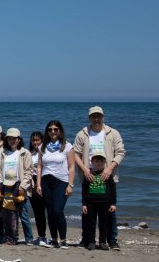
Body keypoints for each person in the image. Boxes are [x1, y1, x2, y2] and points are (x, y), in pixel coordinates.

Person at [72, 106, 126, 251]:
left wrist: (109, 168)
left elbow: (121, 152)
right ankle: (86, 240)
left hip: (107, 175)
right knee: (87, 213)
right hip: (88, 176)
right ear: (89, 118)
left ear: (103, 117)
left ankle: (111, 240)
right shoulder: (82, 134)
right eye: (93, 116)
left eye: (99, 116)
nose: (96, 119)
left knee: (109, 213)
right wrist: (84, 170)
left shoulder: (112, 133)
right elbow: (75, 154)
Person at [36, 122, 77, 248]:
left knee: (58, 210)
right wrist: (38, 184)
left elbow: (71, 167)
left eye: (55, 129)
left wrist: (70, 185)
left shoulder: (67, 146)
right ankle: (54, 239)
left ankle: (63, 239)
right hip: (46, 181)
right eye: (50, 129)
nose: (53, 131)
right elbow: (39, 166)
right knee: (50, 211)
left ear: (60, 131)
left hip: (61, 182)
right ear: (47, 132)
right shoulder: (42, 146)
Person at [0, 128, 34, 245]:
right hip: (5, 186)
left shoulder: (24, 153)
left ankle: (29, 238)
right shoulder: (2, 153)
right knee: (8, 215)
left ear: (19, 139)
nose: (12, 141)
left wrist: (23, 186)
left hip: (19, 186)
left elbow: (29, 171)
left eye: (14, 139)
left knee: (23, 214)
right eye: (10, 138)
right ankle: (10, 237)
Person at [81, 152, 117, 251]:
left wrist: (113, 203)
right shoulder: (88, 174)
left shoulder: (107, 175)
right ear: (92, 162)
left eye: (101, 160)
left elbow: (113, 189)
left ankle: (102, 242)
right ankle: (91, 242)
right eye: (96, 161)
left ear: (104, 162)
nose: (99, 163)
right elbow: (84, 189)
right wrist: (84, 204)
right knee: (91, 223)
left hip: (105, 203)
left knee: (104, 223)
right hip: (91, 203)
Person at [28, 131, 50, 247]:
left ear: (42, 140)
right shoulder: (29, 153)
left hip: (44, 181)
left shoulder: (46, 152)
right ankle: (41, 236)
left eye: (37, 140)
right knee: (38, 211)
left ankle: (54, 237)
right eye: (33, 140)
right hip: (32, 183)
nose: (35, 142)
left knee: (51, 210)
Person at [0, 169, 27, 245]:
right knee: (6, 225)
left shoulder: (17, 186)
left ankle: (14, 238)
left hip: (13, 210)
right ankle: (7, 237)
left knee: (13, 225)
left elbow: (22, 197)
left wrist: (16, 199)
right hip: (4, 208)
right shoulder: (2, 186)